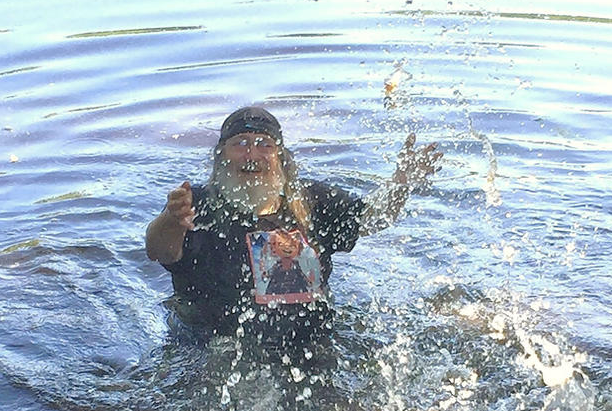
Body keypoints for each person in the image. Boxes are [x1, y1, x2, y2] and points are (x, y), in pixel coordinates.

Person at [145, 106, 441, 350]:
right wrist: (172, 220)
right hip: (211, 341)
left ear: (280, 156)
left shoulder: (313, 202)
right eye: (241, 144)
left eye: (264, 144)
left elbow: (371, 219)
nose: (252, 155)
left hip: (304, 337)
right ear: (221, 155)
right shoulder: (196, 203)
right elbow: (158, 250)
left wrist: (401, 184)